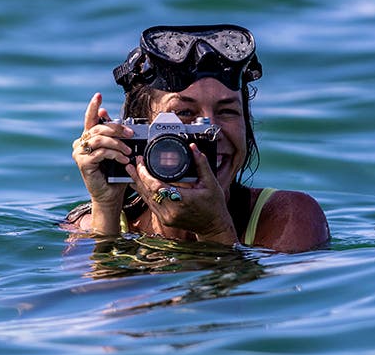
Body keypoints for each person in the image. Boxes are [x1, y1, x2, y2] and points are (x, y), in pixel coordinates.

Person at [64, 24, 329, 253]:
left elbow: (251, 299)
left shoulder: (288, 217)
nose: (211, 130)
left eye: (227, 112)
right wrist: (106, 208)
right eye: (184, 113)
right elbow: (95, 294)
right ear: (136, 133)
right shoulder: (90, 224)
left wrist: (214, 230)